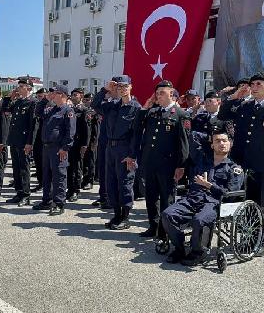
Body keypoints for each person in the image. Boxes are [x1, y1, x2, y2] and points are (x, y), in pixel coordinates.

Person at [218, 71, 264, 255]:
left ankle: (260, 242)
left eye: (259, 84)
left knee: (263, 204)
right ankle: (247, 237)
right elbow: (223, 114)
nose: (255, 87)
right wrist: (234, 96)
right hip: (242, 164)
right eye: (253, 84)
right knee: (246, 201)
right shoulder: (245, 106)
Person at [162, 130, 245, 265]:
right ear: (212, 145)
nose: (221, 144)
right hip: (193, 198)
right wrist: (210, 136)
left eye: (224, 141)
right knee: (167, 214)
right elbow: (193, 135)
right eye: (217, 141)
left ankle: (198, 252)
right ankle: (179, 248)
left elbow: (229, 194)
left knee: (199, 220)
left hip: (214, 203)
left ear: (230, 144)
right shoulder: (202, 161)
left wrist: (209, 185)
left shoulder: (234, 169)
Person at [134, 80, 190, 239]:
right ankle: (153, 226)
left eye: (162, 93)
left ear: (171, 94)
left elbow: (184, 143)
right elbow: (136, 127)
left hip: (169, 165)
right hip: (151, 162)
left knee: (167, 198)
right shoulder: (152, 112)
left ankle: (165, 231)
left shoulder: (180, 114)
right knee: (151, 197)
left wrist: (181, 165)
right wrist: (145, 107)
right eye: (157, 93)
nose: (158, 96)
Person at [92, 75, 141, 230]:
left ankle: (125, 217)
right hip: (110, 148)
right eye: (119, 87)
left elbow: (137, 135)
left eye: (124, 86)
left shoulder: (136, 108)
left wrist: (132, 155)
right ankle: (117, 214)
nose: (121, 89)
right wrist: (105, 89)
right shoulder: (113, 105)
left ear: (131, 87)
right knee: (111, 182)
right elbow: (95, 104)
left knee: (125, 183)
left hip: (125, 149)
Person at [31, 85, 76, 215]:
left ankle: (59, 203)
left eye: (55, 93)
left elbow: (70, 132)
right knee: (47, 176)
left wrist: (64, 148)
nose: (52, 95)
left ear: (62, 95)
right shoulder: (51, 109)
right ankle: (47, 200)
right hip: (47, 147)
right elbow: (38, 112)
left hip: (58, 149)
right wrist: (45, 100)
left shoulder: (68, 111)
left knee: (59, 176)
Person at [1, 80, 36, 206]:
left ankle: (26, 195)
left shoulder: (32, 103)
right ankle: (19, 192)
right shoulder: (18, 101)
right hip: (15, 140)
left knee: (24, 168)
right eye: (18, 86)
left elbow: (33, 125)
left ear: (29, 88)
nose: (19, 89)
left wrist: (29, 143)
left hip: (24, 141)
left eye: (21, 87)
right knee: (16, 168)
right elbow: (5, 110)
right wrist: (10, 97)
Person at [66, 88, 90, 202]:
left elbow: (87, 129)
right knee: (69, 167)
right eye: (72, 95)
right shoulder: (69, 109)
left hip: (79, 143)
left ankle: (76, 190)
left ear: (81, 96)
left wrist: (85, 144)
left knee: (77, 168)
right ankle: (69, 189)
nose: (73, 96)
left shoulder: (84, 110)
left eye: (76, 95)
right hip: (69, 143)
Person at [81, 93, 99, 191]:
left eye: (90, 100)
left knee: (91, 162)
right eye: (87, 100)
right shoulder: (83, 111)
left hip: (92, 141)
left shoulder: (95, 113)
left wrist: (94, 142)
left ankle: (90, 181)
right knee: (84, 162)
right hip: (84, 141)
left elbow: (96, 129)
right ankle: (85, 179)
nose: (89, 102)